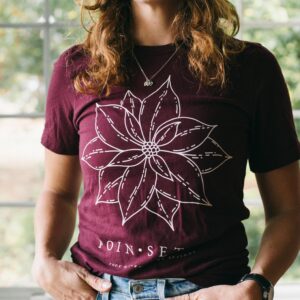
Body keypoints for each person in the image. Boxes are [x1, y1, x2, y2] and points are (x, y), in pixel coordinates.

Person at [31, 0, 300, 299]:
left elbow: (288, 210)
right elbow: (58, 192)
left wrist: (258, 285)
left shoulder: (250, 67)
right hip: (97, 289)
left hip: (211, 290)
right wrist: (44, 259)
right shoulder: (76, 68)